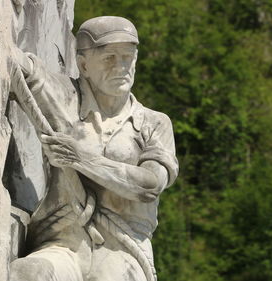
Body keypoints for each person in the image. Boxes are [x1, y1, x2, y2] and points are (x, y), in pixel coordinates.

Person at [9, 16, 178, 281]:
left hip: (121, 249)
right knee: (28, 273)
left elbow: (150, 185)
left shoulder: (154, 123)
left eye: (128, 57)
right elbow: (29, 72)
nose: (122, 66)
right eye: (109, 57)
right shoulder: (67, 97)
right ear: (84, 64)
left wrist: (82, 159)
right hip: (62, 244)